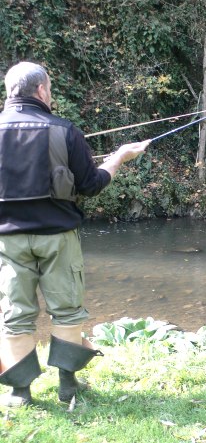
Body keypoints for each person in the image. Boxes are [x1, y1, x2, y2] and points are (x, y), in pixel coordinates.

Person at [0, 61, 151, 407]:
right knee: (67, 310)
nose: (50, 95)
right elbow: (91, 184)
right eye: (49, 89)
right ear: (41, 90)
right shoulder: (64, 130)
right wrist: (118, 159)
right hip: (58, 238)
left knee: (15, 313)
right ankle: (67, 386)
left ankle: (20, 393)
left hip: (7, 241)